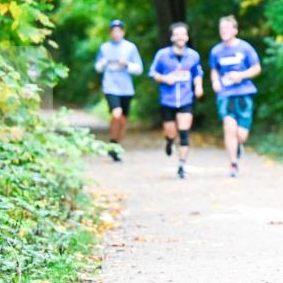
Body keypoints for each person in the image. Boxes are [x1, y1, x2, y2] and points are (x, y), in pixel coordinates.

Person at [149, 22, 204, 179]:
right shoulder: (162, 55)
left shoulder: (193, 56)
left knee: (184, 132)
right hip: (168, 100)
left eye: (183, 34)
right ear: (172, 37)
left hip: (186, 99)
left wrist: (198, 86)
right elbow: (152, 73)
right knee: (171, 132)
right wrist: (165, 78)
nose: (181, 37)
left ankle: (181, 165)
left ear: (187, 37)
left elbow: (198, 73)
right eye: (177, 34)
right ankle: (169, 141)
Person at [209, 16, 261, 177]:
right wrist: (215, 82)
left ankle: (239, 145)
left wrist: (241, 75)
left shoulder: (245, 48)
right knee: (229, 127)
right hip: (225, 94)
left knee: (241, 135)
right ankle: (233, 164)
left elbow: (257, 68)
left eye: (227, 28)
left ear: (235, 30)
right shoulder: (216, 51)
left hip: (244, 93)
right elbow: (214, 70)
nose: (223, 31)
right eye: (221, 28)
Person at [94, 19, 143, 162]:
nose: (116, 33)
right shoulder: (104, 48)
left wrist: (127, 64)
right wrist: (102, 63)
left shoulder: (130, 47)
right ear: (110, 33)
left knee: (123, 120)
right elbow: (97, 68)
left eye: (118, 31)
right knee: (116, 114)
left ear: (123, 32)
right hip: (110, 86)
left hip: (126, 88)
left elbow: (139, 69)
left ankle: (115, 144)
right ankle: (113, 143)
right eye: (113, 31)